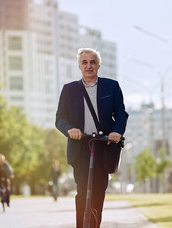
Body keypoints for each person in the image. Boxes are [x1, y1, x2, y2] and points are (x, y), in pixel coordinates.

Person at [55, 47, 128, 228]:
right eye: (84, 62)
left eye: (92, 62)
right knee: (82, 191)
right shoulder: (69, 89)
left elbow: (120, 113)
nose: (89, 66)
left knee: (98, 192)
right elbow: (60, 118)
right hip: (80, 147)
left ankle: (95, 225)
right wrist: (70, 129)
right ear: (79, 66)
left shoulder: (111, 86)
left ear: (98, 65)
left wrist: (117, 131)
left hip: (104, 146)